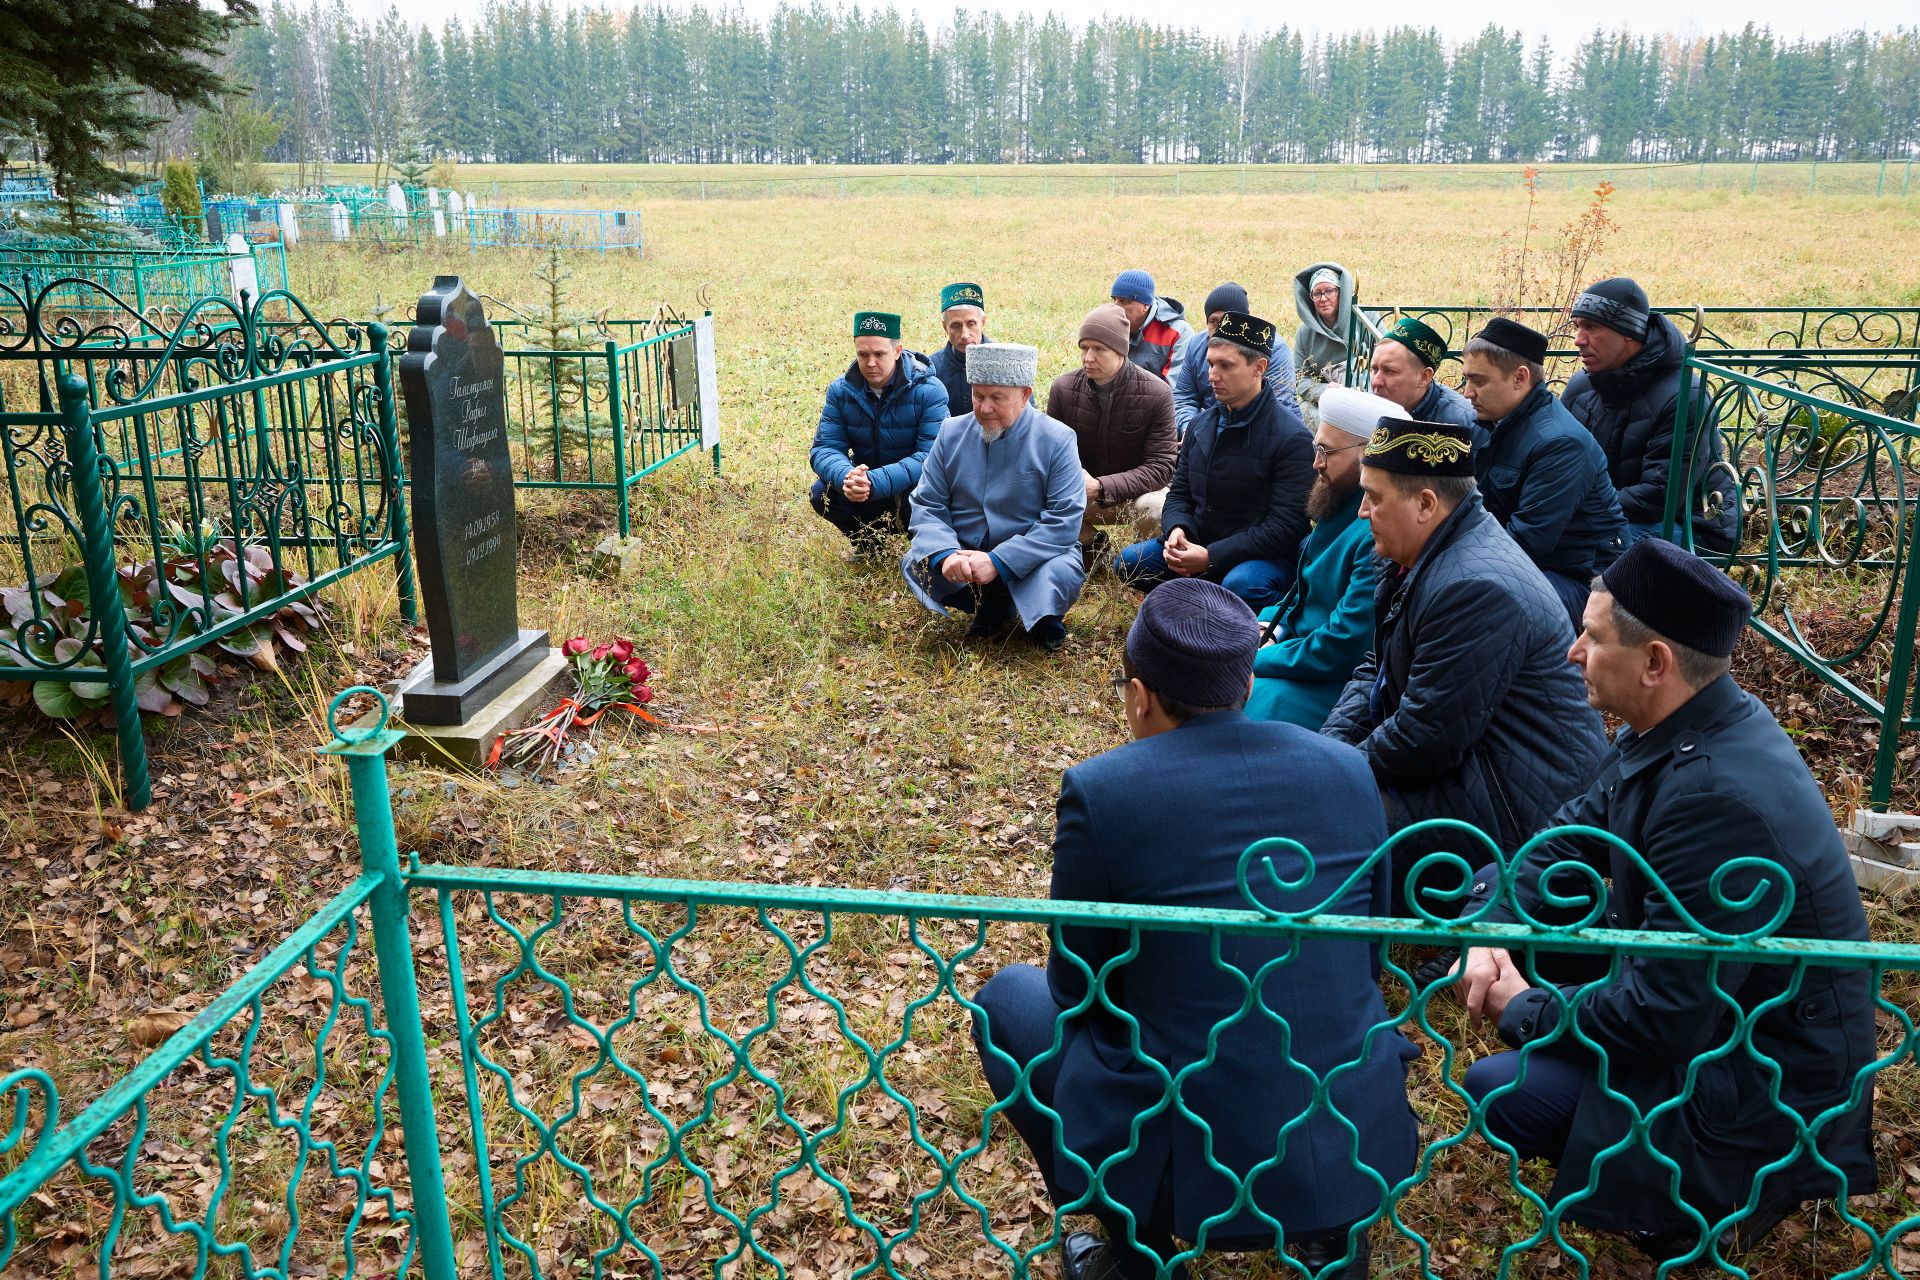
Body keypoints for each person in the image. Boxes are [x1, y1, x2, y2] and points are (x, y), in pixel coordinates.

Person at [972, 578, 1417, 1280]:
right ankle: (1332, 1235)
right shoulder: (1348, 768)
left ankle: (1133, 1249)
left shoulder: (1104, 790)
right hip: (1348, 1134)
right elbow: (1368, 959)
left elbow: (1075, 987)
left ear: (1139, 694)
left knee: (1008, 1004)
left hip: (1189, 1162)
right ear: (1244, 688)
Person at [1457, 539, 1875, 1261]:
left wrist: (1522, 1005)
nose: (1570, 653)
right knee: (1527, 921)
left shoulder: (1717, 796)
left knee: (1503, 1087)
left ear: (1656, 663)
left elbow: (1665, 1017)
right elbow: (1568, 836)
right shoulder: (1683, 725)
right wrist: (1489, 929)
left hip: (1762, 1085)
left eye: (1590, 637)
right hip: (1716, 1018)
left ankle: (1690, 1217)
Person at [1321, 418, 1608, 902]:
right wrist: (1330, 752)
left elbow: (1426, 738)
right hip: (1475, 769)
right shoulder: (1423, 551)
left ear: (1426, 504)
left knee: (1324, 827)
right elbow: (1377, 666)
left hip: (1516, 812)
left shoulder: (1475, 587)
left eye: (1374, 497)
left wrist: (1334, 774)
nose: (1362, 512)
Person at [1116, 311, 1314, 611]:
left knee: (1243, 585)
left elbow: (1286, 528)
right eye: (1210, 364)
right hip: (1198, 545)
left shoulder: (1291, 438)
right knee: (1129, 563)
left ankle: (1265, 620)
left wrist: (1211, 556)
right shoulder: (1200, 425)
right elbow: (1179, 492)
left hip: (1257, 560)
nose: (1212, 375)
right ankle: (1204, 601)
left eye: (1226, 366)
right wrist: (1177, 531)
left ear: (1259, 367)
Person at [903, 342, 1086, 651]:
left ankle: (1038, 616)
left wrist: (999, 561)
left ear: (1026, 395)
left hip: (1032, 557)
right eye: (978, 396)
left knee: (1059, 570)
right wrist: (946, 553)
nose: (984, 408)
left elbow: (1063, 521)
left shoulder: (1057, 439)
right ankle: (991, 603)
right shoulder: (951, 432)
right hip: (966, 551)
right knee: (918, 560)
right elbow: (927, 502)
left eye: (997, 398)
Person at [1246, 386, 1405, 730]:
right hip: (1297, 651)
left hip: (1333, 679)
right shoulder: (1339, 498)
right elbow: (1302, 592)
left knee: (1243, 709)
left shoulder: (1374, 530)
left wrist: (1258, 659)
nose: (1315, 463)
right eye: (1316, 447)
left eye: (1326, 452)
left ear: (1367, 455)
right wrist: (1269, 626)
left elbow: (1344, 645)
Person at [1460, 318, 1626, 633]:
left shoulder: (1560, 444)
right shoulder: (1488, 423)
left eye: (1478, 381)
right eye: (1466, 379)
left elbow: (1525, 545)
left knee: (1475, 606)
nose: (1467, 393)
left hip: (1584, 584)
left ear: (1520, 378)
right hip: (1529, 567)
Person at [1561, 277, 1738, 552]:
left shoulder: (1684, 396)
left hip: (1686, 528)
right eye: (1577, 327)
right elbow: (1556, 457)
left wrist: (1572, 508)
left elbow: (1660, 498)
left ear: (1628, 332)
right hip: (1606, 512)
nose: (1578, 340)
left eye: (1592, 327)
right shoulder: (1583, 385)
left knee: (1571, 544)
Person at [1044, 303, 1178, 567]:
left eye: (1099, 349)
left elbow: (1161, 467)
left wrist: (1103, 487)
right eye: (1084, 347)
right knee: (1031, 495)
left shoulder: (1158, 394)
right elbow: (1049, 453)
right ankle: (1091, 547)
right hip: (1078, 492)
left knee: (1159, 507)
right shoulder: (1063, 389)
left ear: (1121, 351)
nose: (1088, 357)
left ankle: (1143, 567)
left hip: (1134, 494)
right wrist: (1075, 477)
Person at [808, 310, 950, 549]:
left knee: (926, 493)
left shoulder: (929, 390)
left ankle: (924, 553)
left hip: (911, 489)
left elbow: (932, 457)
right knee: (821, 493)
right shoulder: (841, 391)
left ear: (897, 351)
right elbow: (825, 448)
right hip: (865, 485)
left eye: (879, 354)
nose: (870, 363)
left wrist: (875, 481)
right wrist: (847, 477)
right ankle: (869, 545)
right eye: (863, 354)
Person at [1172, 281, 1303, 436]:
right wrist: (1190, 429)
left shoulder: (1274, 350)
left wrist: (1222, 439)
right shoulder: (1196, 345)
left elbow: (1280, 405)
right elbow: (1184, 396)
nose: (1221, 330)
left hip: (1264, 434)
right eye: (1214, 322)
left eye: (1228, 323)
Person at [1366, 315, 1475, 431]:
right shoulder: (1373, 404)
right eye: (1374, 369)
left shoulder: (1466, 425)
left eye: (1390, 371)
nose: (1376, 382)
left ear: (1424, 377)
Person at [1109, 268, 1197, 381]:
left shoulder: (1178, 333)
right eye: (1114, 299)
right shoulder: (1109, 325)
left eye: (1124, 301)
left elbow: (1175, 390)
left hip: (1160, 397)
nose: (1115, 307)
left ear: (1146, 305)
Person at [1291, 262, 1360, 392]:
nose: (1323, 299)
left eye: (1330, 291)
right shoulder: (1304, 331)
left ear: (1342, 292)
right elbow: (1300, 379)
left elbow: (1385, 357)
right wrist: (1326, 390)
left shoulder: (1365, 318)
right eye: (1317, 293)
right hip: (1327, 397)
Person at [926, 281, 989, 418]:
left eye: (971, 324)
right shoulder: (932, 369)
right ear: (945, 327)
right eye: (956, 326)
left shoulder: (1006, 361)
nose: (965, 335)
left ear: (983, 322)